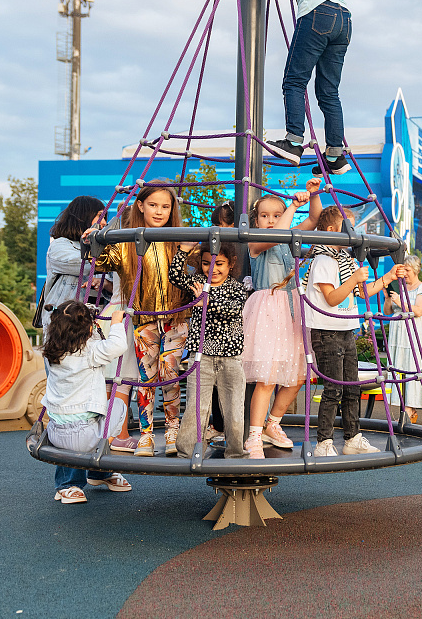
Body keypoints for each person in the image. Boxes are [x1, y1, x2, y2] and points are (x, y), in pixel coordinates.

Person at [226, 0, 352, 176]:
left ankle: (294, 142)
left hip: (318, 13)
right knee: (329, 92)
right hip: (342, 18)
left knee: (294, 81)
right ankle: (336, 156)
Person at [91, 183, 189, 457]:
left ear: (172, 210)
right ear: (141, 206)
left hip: (177, 318)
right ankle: (146, 433)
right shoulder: (126, 243)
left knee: (170, 374)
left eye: (166, 206)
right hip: (144, 320)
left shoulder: (179, 240)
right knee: (146, 377)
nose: (159, 211)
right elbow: (98, 262)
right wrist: (95, 239)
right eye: (154, 205)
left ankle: (172, 428)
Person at [43, 196, 134, 491]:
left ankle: (99, 469)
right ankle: (68, 480)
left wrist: (105, 283)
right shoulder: (60, 245)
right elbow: (85, 262)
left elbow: (99, 278)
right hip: (64, 335)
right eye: (99, 218)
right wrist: (102, 247)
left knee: (95, 400)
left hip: (87, 333)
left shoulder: (88, 247)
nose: (104, 224)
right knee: (67, 402)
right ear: (84, 219)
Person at [305, 206, 407, 456]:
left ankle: (352, 437)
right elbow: (331, 298)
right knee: (333, 388)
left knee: (351, 386)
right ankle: (323, 443)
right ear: (332, 231)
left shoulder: (345, 260)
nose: (354, 233)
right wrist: (353, 280)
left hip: (346, 328)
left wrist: (386, 278)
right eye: (348, 227)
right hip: (326, 330)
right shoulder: (323, 260)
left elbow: (361, 292)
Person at [239, 181, 322, 456]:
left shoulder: (291, 238)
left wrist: (313, 194)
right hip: (267, 310)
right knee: (267, 377)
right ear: (256, 220)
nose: (271, 220)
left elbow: (314, 219)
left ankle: (272, 424)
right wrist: (292, 207)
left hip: (291, 309)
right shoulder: (256, 241)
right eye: (265, 216)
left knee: (298, 376)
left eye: (277, 215)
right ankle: (253, 434)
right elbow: (276, 235)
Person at [41, 302, 134, 504]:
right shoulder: (91, 352)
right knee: (116, 407)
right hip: (82, 436)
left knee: (91, 418)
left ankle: (98, 473)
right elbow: (117, 346)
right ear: (90, 329)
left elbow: (73, 333)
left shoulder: (53, 350)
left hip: (54, 431)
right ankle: (70, 484)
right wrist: (116, 323)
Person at [171, 242, 249, 460]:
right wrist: (184, 251)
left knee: (234, 408)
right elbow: (175, 276)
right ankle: (187, 452)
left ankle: (236, 453)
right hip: (201, 355)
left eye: (220, 264)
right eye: (207, 263)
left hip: (230, 356)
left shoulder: (237, 287)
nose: (213, 269)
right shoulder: (198, 282)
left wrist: (206, 302)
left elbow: (233, 309)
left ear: (231, 264)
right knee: (197, 407)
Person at [384, 253, 422, 423]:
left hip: (414, 333)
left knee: (413, 365)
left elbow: (418, 311)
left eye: (407, 270)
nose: (404, 273)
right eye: (402, 270)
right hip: (398, 334)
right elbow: (388, 312)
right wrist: (389, 298)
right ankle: (404, 407)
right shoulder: (398, 287)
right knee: (399, 366)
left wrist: (399, 301)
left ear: (415, 270)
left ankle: (409, 408)